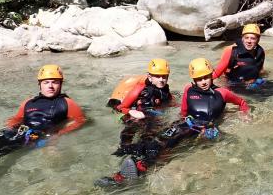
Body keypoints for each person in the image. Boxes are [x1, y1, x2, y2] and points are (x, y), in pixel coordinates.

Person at [96, 58, 250, 186]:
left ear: (211, 75)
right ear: (193, 79)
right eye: (199, 78)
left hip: (202, 127)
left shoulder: (222, 93)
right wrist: (175, 124)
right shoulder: (188, 89)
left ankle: (138, 170)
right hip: (185, 123)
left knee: (167, 145)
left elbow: (242, 102)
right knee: (154, 142)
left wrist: (245, 115)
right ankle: (122, 174)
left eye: (206, 77)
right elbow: (183, 111)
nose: (203, 82)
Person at [108, 58, 175, 157]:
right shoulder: (140, 88)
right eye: (157, 76)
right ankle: (123, 148)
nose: (161, 80)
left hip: (152, 117)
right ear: (150, 76)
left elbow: (170, 103)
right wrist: (131, 112)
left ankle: (140, 157)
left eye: (164, 76)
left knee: (148, 136)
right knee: (130, 129)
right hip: (137, 115)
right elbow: (121, 107)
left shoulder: (165, 90)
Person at [212, 23, 266, 89]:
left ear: (258, 39)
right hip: (229, 82)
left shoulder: (260, 52)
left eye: (253, 38)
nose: (249, 41)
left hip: (249, 83)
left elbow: (260, 70)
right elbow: (217, 73)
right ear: (242, 38)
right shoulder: (231, 51)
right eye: (246, 38)